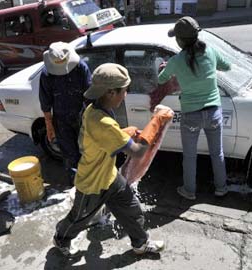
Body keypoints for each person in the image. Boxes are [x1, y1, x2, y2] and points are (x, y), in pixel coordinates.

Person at [53, 63, 165, 257]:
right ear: (111, 92)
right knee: (79, 218)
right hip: (92, 183)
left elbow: (103, 138)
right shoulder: (102, 121)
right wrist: (157, 121)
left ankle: (141, 243)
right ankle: (60, 238)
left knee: (131, 208)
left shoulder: (94, 108)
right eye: (124, 91)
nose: (126, 95)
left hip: (110, 176)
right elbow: (138, 151)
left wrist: (123, 134)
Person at [158, 16, 231, 200]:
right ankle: (221, 188)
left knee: (190, 156)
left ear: (180, 40)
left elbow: (160, 79)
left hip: (191, 115)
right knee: (217, 153)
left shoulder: (176, 60)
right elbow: (227, 66)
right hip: (214, 111)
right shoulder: (210, 51)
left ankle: (189, 191)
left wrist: (165, 68)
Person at [39, 42, 91, 186]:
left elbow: (90, 96)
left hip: (82, 117)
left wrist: (92, 122)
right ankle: (76, 187)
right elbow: (46, 103)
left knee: (87, 153)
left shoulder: (81, 68)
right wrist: (49, 126)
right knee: (70, 156)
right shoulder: (46, 75)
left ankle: (89, 186)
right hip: (61, 122)